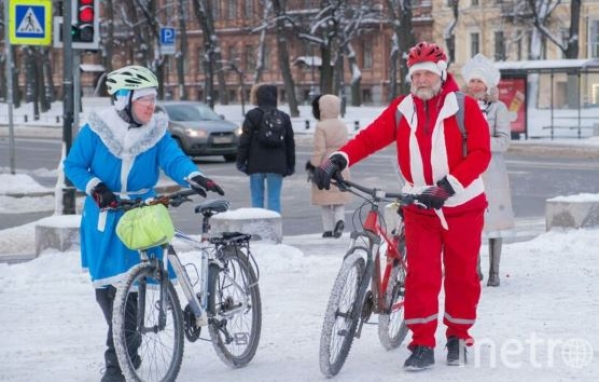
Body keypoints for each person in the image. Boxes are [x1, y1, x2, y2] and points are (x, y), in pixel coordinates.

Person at [313, 42, 491, 371]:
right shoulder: (402, 108)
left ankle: (458, 337)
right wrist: (339, 158)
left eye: (427, 73)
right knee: (421, 276)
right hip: (419, 206)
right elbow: (370, 138)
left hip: (462, 205)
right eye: (415, 75)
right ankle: (422, 343)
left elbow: (481, 153)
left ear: (440, 74)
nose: (421, 80)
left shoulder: (464, 107)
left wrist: (449, 185)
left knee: (462, 276)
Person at [64, 65, 224, 382]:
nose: (152, 105)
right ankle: (127, 351)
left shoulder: (156, 132)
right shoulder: (97, 130)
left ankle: (118, 364)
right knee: (107, 292)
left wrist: (195, 176)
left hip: (142, 212)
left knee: (131, 289)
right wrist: (96, 186)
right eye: (145, 99)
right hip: (105, 217)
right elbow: (74, 165)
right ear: (125, 101)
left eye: (153, 98)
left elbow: (174, 159)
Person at [462, 53, 515, 287]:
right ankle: (475, 270)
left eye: (479, 81)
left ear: (488, 84)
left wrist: (479, 143)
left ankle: (495, 272)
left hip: (492, 173)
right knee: (468, 223)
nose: (475, 86)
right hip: (467, 172)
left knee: (494, 223)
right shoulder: (461, 106)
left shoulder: (498, 109)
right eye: (472, 81)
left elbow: (503, 141)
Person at [236, 83, 295, 213]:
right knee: (274, 199)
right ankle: (274, 230)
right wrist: (290, 165)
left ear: (258, 97)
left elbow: (244, 141)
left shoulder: (252, 115)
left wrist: (241, 161)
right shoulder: (283, 117)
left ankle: (258, 228)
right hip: (277, 164)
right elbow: (290, 143)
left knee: (257, 198)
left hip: (255, 164)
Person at [305, 94, 351, 238]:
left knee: (324, 200)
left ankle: (328, 229)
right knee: (339, 199)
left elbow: (320, 150)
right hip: (341, 164)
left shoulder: (321, 126)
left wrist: (313, 166)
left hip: (325, 164)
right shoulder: (342, 125)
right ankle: (340, 221)